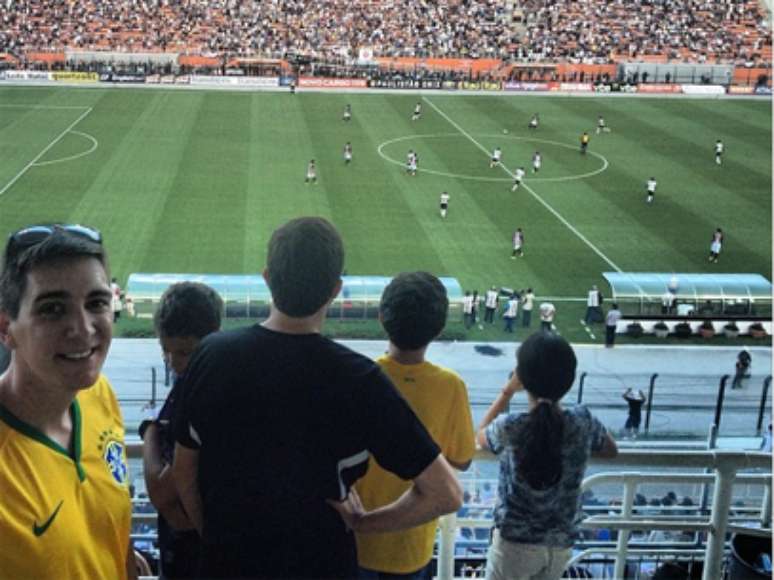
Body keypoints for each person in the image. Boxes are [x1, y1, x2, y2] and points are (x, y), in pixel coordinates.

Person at [173, 217, 461, 579]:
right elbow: (445, 493)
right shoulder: (361, 380)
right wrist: (364, 523)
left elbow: (183, 470)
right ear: (335, 290)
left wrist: (215, 538)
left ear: (267, 278)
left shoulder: (211, 355)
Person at [0, 224, 134, 578]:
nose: (83, 327)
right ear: (5, 328)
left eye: (97, 303)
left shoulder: (99, 395)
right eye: (52, 309)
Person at [355, 271, 475, 579]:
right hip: (411, 545)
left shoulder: (358, 377)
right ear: (439, 328)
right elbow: (461, 459)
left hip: (355, 541)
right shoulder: (451, 386)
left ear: (382, 317)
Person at [476, 333, 618, 580]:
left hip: (513, 546)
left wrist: (507, 392)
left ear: (522, 377)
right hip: (559, 544)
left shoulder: (510, 427)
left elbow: (479, 436)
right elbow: (610, 450)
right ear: (569, 380)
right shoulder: (582, 422)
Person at [141, 282, 223, 578]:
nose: (175, 363)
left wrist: (149, 430)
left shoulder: (200, 395)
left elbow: (164, 496)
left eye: (185, 352)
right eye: (167, 351)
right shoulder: (202, 382)